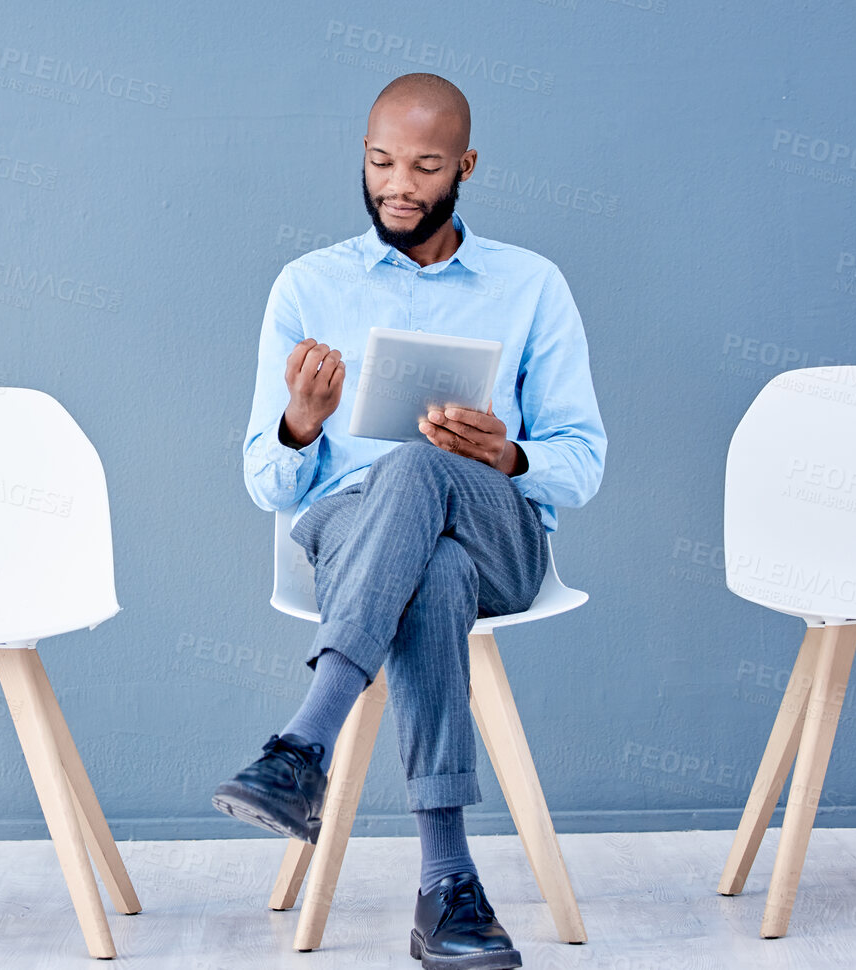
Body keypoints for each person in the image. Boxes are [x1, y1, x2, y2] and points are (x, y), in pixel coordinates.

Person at [214, 72, 606, 970]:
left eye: (424, 167)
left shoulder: (530, 285)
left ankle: (302, 742)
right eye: (381, 161)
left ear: (463, 166)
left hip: (497, 530)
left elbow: (581, 463)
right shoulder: (307, 285)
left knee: (426, 461)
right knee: (429, 572)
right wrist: (299, 425)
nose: (398, 184)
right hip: (353, 539)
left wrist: (504, 455)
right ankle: (447, 888)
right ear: (362, 155)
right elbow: (267, 484)